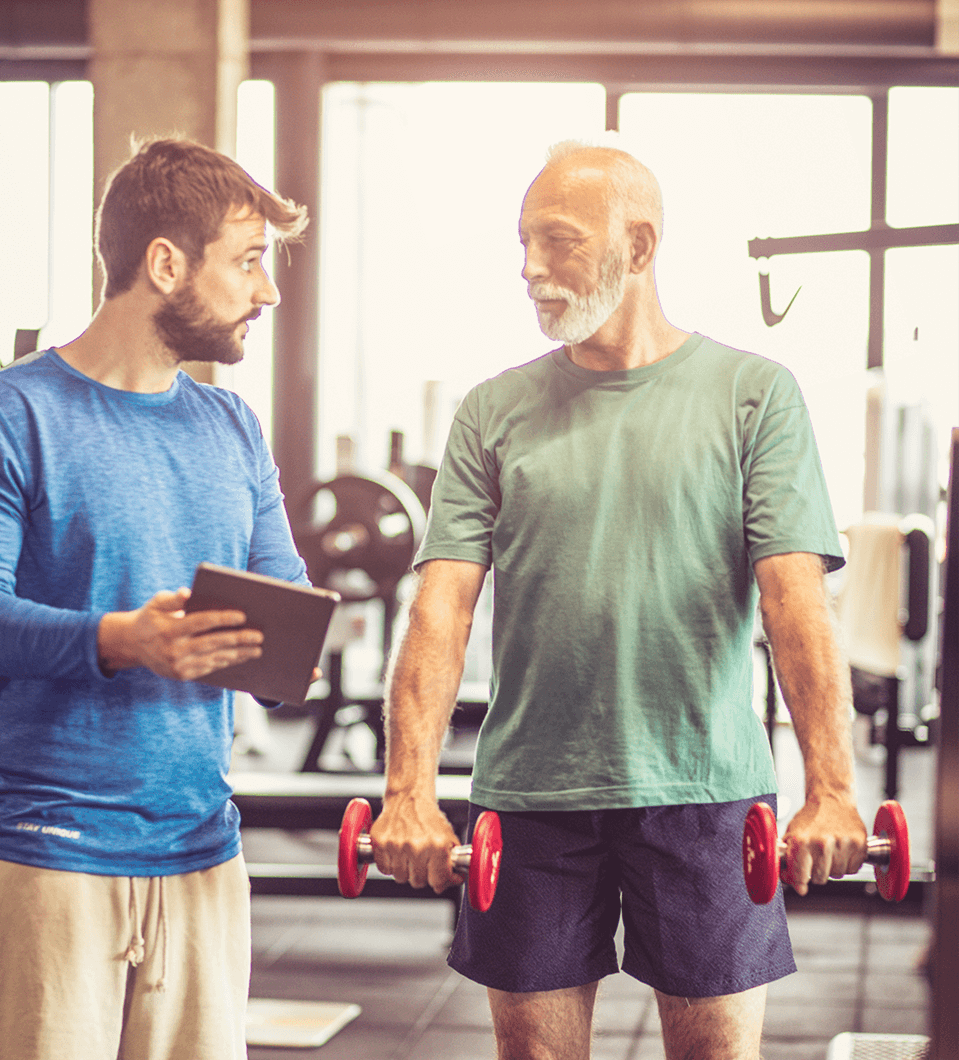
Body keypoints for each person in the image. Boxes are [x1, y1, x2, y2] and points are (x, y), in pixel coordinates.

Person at [369, 136, 869, 1060]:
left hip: (706, 790)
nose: (529, 269)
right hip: (528, 792)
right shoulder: (492, 410)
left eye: (556, 240)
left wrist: (832, 790)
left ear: (638, 248)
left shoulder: (753, 395)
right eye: (522, 242)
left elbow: (794, 604)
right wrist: (407, 791)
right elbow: (440, 610)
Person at [0, 137, 310, 1060]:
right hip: (46, 858)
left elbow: (288, 611)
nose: (268, 292)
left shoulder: (230, 425)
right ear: (165, 262)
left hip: (203, 860)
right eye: (249, 261)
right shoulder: (4, 412)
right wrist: (120, 639)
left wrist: (280, 659)